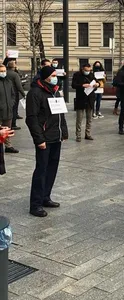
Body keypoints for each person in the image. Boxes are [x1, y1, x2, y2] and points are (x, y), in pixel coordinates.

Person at [26, 66, 68, 217]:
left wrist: (64, 132)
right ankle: (35, 204)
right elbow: (32, 118)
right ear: (45, 77)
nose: (56, 77)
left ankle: (45, 197)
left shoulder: (55, 91)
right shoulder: (35, 93)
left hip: (56, 137)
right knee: (41, 171)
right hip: (44, 138)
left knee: (52, 169)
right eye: (53, 75)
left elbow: (60, 114)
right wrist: (39, 139)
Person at [71, 63, 99, 142]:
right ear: (82, 69)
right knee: (79, 119)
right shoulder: (77, 75)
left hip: (90, 98)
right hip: (81, 98)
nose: (88, 72)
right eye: (86, 70)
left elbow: (97, 82)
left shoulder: (91, 75)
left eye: (89, 70)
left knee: (89, 118)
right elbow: (73, 85)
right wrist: (82, 85)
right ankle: (78, 135)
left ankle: (88, 133)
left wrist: (97, 84)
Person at [0, 64, 18, 153]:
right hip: (0, 110)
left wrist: (11, 103)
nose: (3, 73)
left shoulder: (8, 82)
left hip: (8, 110)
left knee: (8, 129)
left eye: (4, 71)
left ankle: (8, 146)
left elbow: (13, 94)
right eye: (1, 71)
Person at [7, 61, 25, 130]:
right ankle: (13, 124)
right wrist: (23, 94)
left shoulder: (5, 73)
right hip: (14, 93)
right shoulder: (15, 74)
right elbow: (19, 86)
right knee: (14, 109)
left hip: (6, 93)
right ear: (14, 67)